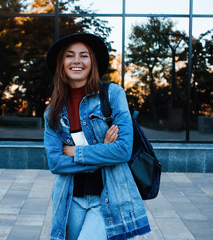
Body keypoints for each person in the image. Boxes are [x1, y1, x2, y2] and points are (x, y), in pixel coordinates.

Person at [44, 32, 150, 240]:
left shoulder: (112, 95)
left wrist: (75, 152)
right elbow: (55, 163)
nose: (76, 61)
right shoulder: (52, 112)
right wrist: (103, 154)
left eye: (84, 55)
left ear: (93, 62)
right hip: (70, 199)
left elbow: (122, 150)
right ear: (61, 63)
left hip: (108, 198)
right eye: (69, 55)